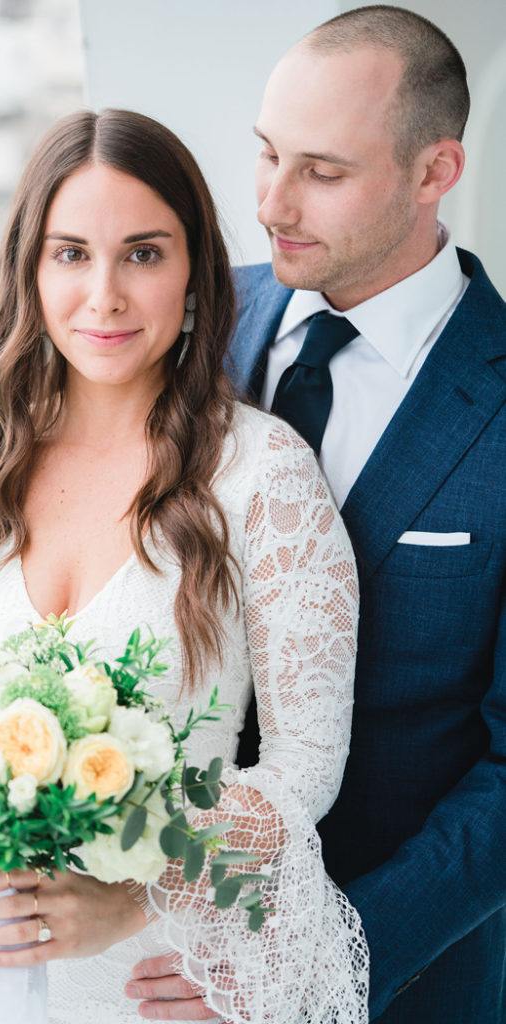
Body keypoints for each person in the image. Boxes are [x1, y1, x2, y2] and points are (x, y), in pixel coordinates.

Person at [0, 108, 367, 1024]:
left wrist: (136, 900)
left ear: (194, 269)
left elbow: (302, 766)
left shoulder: (260, 473)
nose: (105, 297)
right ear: (30, 269)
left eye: (142, 253)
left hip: (163, 977)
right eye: (71, 254)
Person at [127, 6, 506, 1024]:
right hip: (139, 957)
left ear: (434, 173)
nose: (271, 202)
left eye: (322, 173)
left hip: (404, 982)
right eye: (264, 155)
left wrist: (311, 961)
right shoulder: (181, 327)